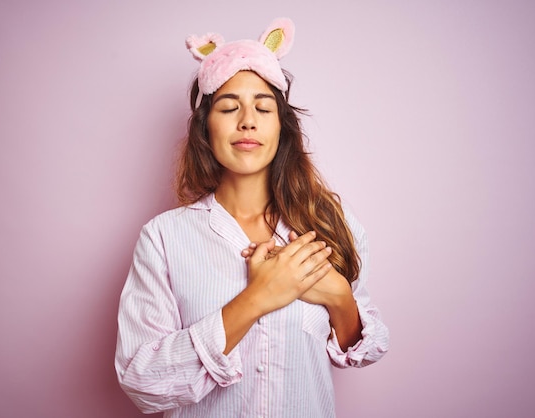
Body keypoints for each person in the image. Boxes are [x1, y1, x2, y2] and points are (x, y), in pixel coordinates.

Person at [115, 17, 389, 418]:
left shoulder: (330, 223)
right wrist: (258, 298)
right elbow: (143, 382)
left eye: (263, 107)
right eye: (229, 108)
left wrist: (338, 297)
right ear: (206, 129)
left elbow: (362, 350)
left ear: (281, 127)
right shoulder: (164, 238)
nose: (248, 120)